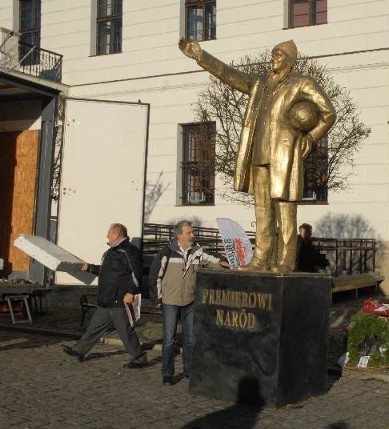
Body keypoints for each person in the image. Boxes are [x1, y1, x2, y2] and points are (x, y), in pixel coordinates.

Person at [178, 38, 336, 273]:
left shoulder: (301, 83)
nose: (274, 57)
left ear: (291, 61)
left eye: (280, 54)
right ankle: (261, 259)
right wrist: (202, 56)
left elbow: (328, 112)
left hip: (284, 156)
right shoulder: (260, 83)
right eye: (273, 53)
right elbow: (230, 76)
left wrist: (311, 138)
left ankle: (285, 262)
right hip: (259, 155)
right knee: (262, 210)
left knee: (285, 211)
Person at [62, 223, 147, 368]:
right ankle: (79, 350)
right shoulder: (111, 252)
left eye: (109, 233)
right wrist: (88, 267)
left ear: (116, 234)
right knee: (94, 328)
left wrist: (131, 292)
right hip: (106, 299)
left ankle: (139, 357)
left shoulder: (128, 251)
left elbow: (137, 273)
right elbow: (105, 271)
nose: (106, 235)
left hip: (119, 300)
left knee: (125, 332)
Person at [148, 220, 222, 385]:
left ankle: (189, 371)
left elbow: (214, 261)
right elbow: (155, 276)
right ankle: (167, 373)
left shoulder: (197, 251)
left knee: (190, 339)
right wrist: (157, 298)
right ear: (179, 235)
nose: (192, 235)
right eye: (189, 233)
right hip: (170, 301)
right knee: (169, 340)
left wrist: (228, 263)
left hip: (190, 301)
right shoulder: (166, 252)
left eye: (192, 232)